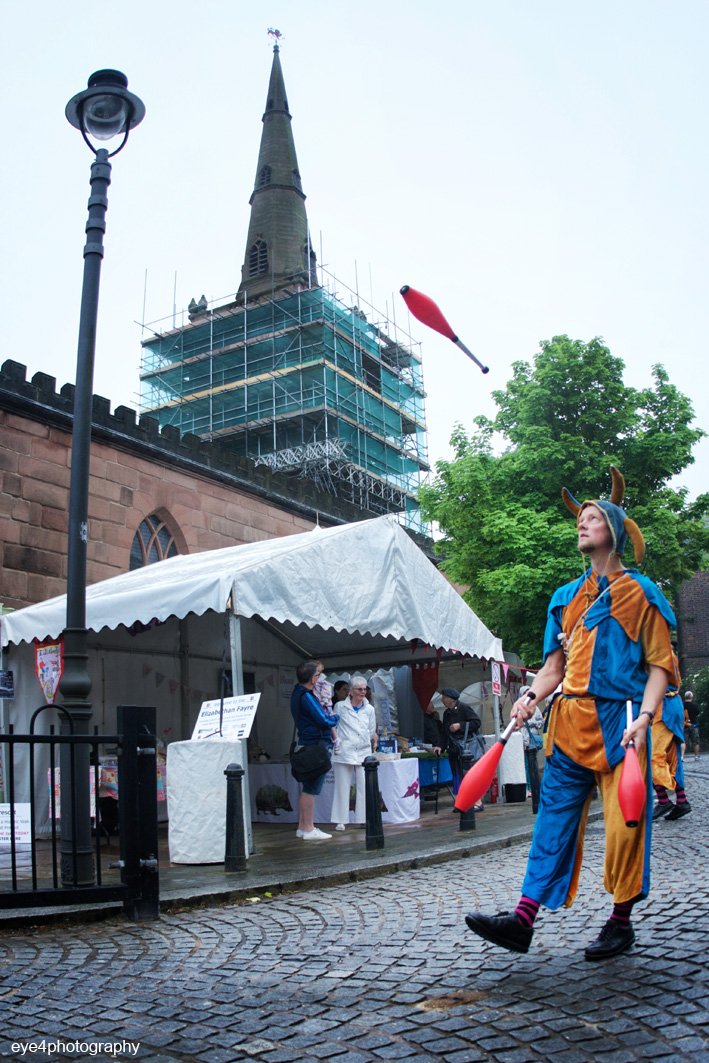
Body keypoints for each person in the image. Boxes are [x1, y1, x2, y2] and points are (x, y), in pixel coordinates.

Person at [465, 467, 676, 961]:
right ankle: (522, 919)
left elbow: (660, 668)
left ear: (616, 530)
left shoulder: (643, 594)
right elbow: (554, 667)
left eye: (594, 517)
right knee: (551, 823)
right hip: (569, 725)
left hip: (622, 723)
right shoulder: (564, 598)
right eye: (580, 517)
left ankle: (620, 921)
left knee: (626, 829)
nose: (583, 523)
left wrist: (645, 719)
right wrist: (530, 696)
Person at [290, 659, 339, 841]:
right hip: (316, 745)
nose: (321, 678)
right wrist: (336, 717)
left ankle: (303, 827)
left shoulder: (298, 693)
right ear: (312, 678)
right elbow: (323, 720)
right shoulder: (307, 696)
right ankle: (309, 828)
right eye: (319, 674)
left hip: (308, 742)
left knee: (308, 787)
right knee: (311, 788)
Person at [330, 675, 378, 831]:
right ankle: (340, 820)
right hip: (344, 750)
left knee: (364, 786)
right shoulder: (339, 707)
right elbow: (333, 726)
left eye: (364, 689)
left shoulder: (370, 709)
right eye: (359, 689)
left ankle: (364, 818)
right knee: (342, 786)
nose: (363, 692)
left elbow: (371, 730)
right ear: (351, 691)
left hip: (363, 750)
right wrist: (338, 742)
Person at [651, 655, 691, 821]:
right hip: (673, 704)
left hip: (663, 707)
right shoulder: (668, 653)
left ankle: (663, 800)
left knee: (652, 755)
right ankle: (681, 801)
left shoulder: (655, 651)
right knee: (671, 756)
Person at [439, 687, 481, 799]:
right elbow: (445, 732)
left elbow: (476, 722)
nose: (442, 700)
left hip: (466, 748)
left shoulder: (464, 708)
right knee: (456, 775)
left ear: (450, 699)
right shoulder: (446, 713)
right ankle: (460, 799)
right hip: (453, 749)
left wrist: (460, 726)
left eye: (444, 697)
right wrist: (440, 747)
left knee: (467, 774)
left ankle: (473, 799)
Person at [313, 660, 339, 751]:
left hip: (324, 706)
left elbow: (326, 692)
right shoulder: (314, 681)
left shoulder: (322, 681)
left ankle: (336, 740)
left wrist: (324, 701)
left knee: (330, 724)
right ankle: (335, 740)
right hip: (320, 704)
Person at [684, 691, 700, 760]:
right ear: (692, 697)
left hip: (684, 725)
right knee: (695, 741)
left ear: (685, 697)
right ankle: (696, 756)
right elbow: (697, 713)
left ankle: (681, 757)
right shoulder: (695, 706)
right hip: (694, 725)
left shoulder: (682, 705)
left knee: (683, 741)